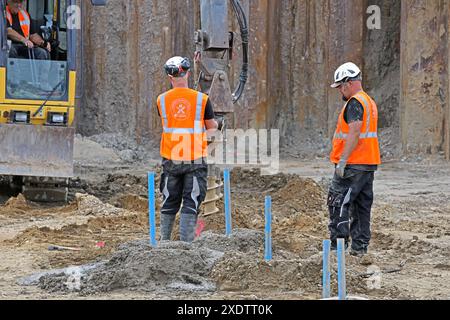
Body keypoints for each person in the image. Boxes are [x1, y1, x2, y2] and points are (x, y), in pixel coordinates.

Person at [156, 56, 218, 243]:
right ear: (187, 73)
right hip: (194, 159)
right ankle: (186, 248)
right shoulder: (202, 100)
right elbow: (211, 128)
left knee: (169, 201)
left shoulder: (161, 100)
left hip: (171, 158)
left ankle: (163, 243)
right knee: (191, 202)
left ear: (169, 76)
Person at [328, 62, 381, 256]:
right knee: (361, 206)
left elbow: (355, 130)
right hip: (368, 163)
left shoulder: (355, 103)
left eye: (340, 87)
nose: (340, 91)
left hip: (352, 164)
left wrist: (342, 161)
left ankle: (338, 248)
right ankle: (359, 249)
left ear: (348, 83)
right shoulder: (368, 101)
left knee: (338, 202)